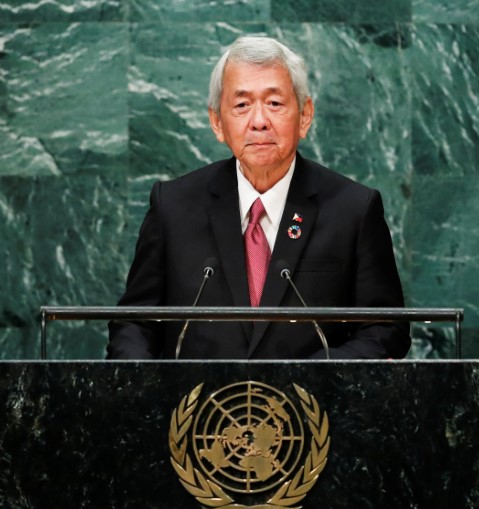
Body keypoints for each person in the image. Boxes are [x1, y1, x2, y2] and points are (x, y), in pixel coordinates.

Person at [107, 36, 410, 360]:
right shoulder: (173, 206)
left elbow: (386, 329)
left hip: (311, 406)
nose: (259, 121)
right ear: (217, 122)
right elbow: (135, 323)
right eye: (241, 105)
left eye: (275, 103)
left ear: (305, 115)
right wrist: (142, 392)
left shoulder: (353, 210)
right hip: (196, 407)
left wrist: (314, 377)